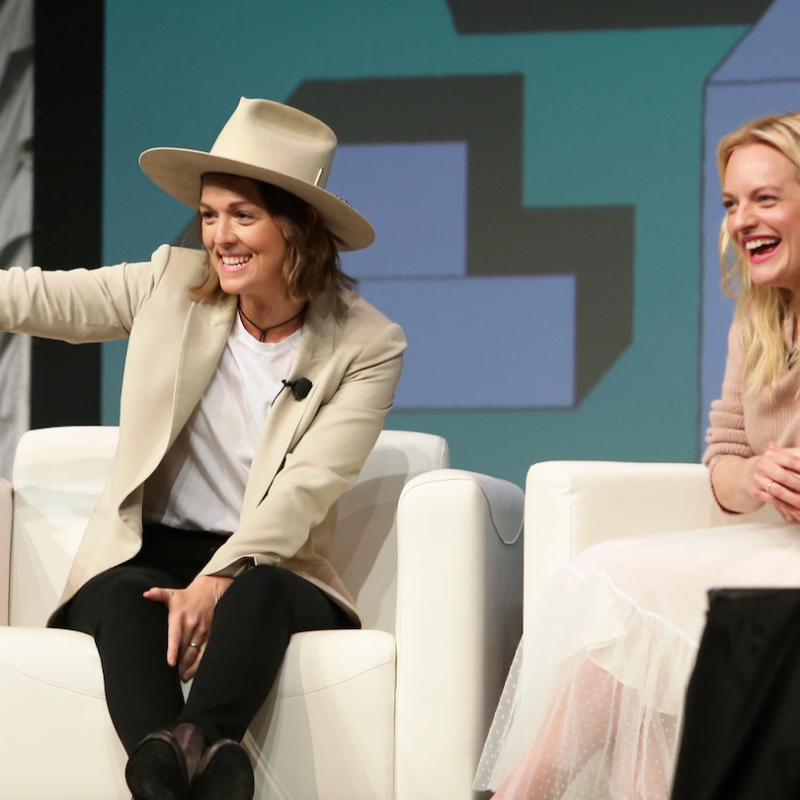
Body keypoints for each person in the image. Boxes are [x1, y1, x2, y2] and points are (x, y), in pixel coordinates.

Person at [1, 97, 406, 800]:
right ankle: (204, 757)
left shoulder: (368, 344)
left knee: (257, 592)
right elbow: (40, 299)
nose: (219, 236)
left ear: (298, 228)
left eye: (243, 216)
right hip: (149, 550)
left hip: (271, 563)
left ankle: (182, 749)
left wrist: (219, 578)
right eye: (210, 215)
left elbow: (307, 486)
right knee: (125, 596)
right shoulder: (171, 283)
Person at [474, 111, 800, 800]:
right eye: (731, 204)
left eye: (765, 199)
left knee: (638, 614)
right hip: (777, 544)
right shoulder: (757, 316)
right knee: (612, 589)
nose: (743, 221)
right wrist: (753, 475)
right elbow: (724, 460)